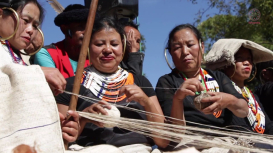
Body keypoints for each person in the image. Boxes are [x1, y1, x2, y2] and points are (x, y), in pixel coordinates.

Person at [56, 16, 167, 149]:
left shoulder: (140, 81)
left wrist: (147, 102)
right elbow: (60, 144)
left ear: (123, 47)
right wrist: (84, 117)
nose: (108, 50)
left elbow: (163, 141)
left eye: (114, 44)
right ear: (87, 47)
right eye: (99, 44)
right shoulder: (70, 85)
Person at [0, 0, 78, 143]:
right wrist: (37, 73)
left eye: (35, 25)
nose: (30, 30)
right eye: (25, 20)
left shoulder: (17, 58)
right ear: (1, 15)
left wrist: (55, 126)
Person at [155, 24, 249, 137]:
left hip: (224, 141)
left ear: (202, 47)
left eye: (190, 45)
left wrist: (229, 101)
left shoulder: (219, 77)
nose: (185, 52)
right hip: (188, 142)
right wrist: (178, 99)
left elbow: (244, 111)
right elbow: (175, 132)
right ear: (170, 53)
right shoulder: (166, 82)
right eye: (177, 48)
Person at [205, 38, 273, 134]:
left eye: (249, 59)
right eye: (239, 58)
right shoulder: (220, 91)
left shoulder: (252, 97)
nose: (246, 63)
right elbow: (238, 127)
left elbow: (268, 126)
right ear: (225, 63)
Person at [32, 4, 90, 78]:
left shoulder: (97, 55)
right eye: (81, 27)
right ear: (64, 30)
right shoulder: (46, 54)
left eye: (90, 28)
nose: (87, 32)